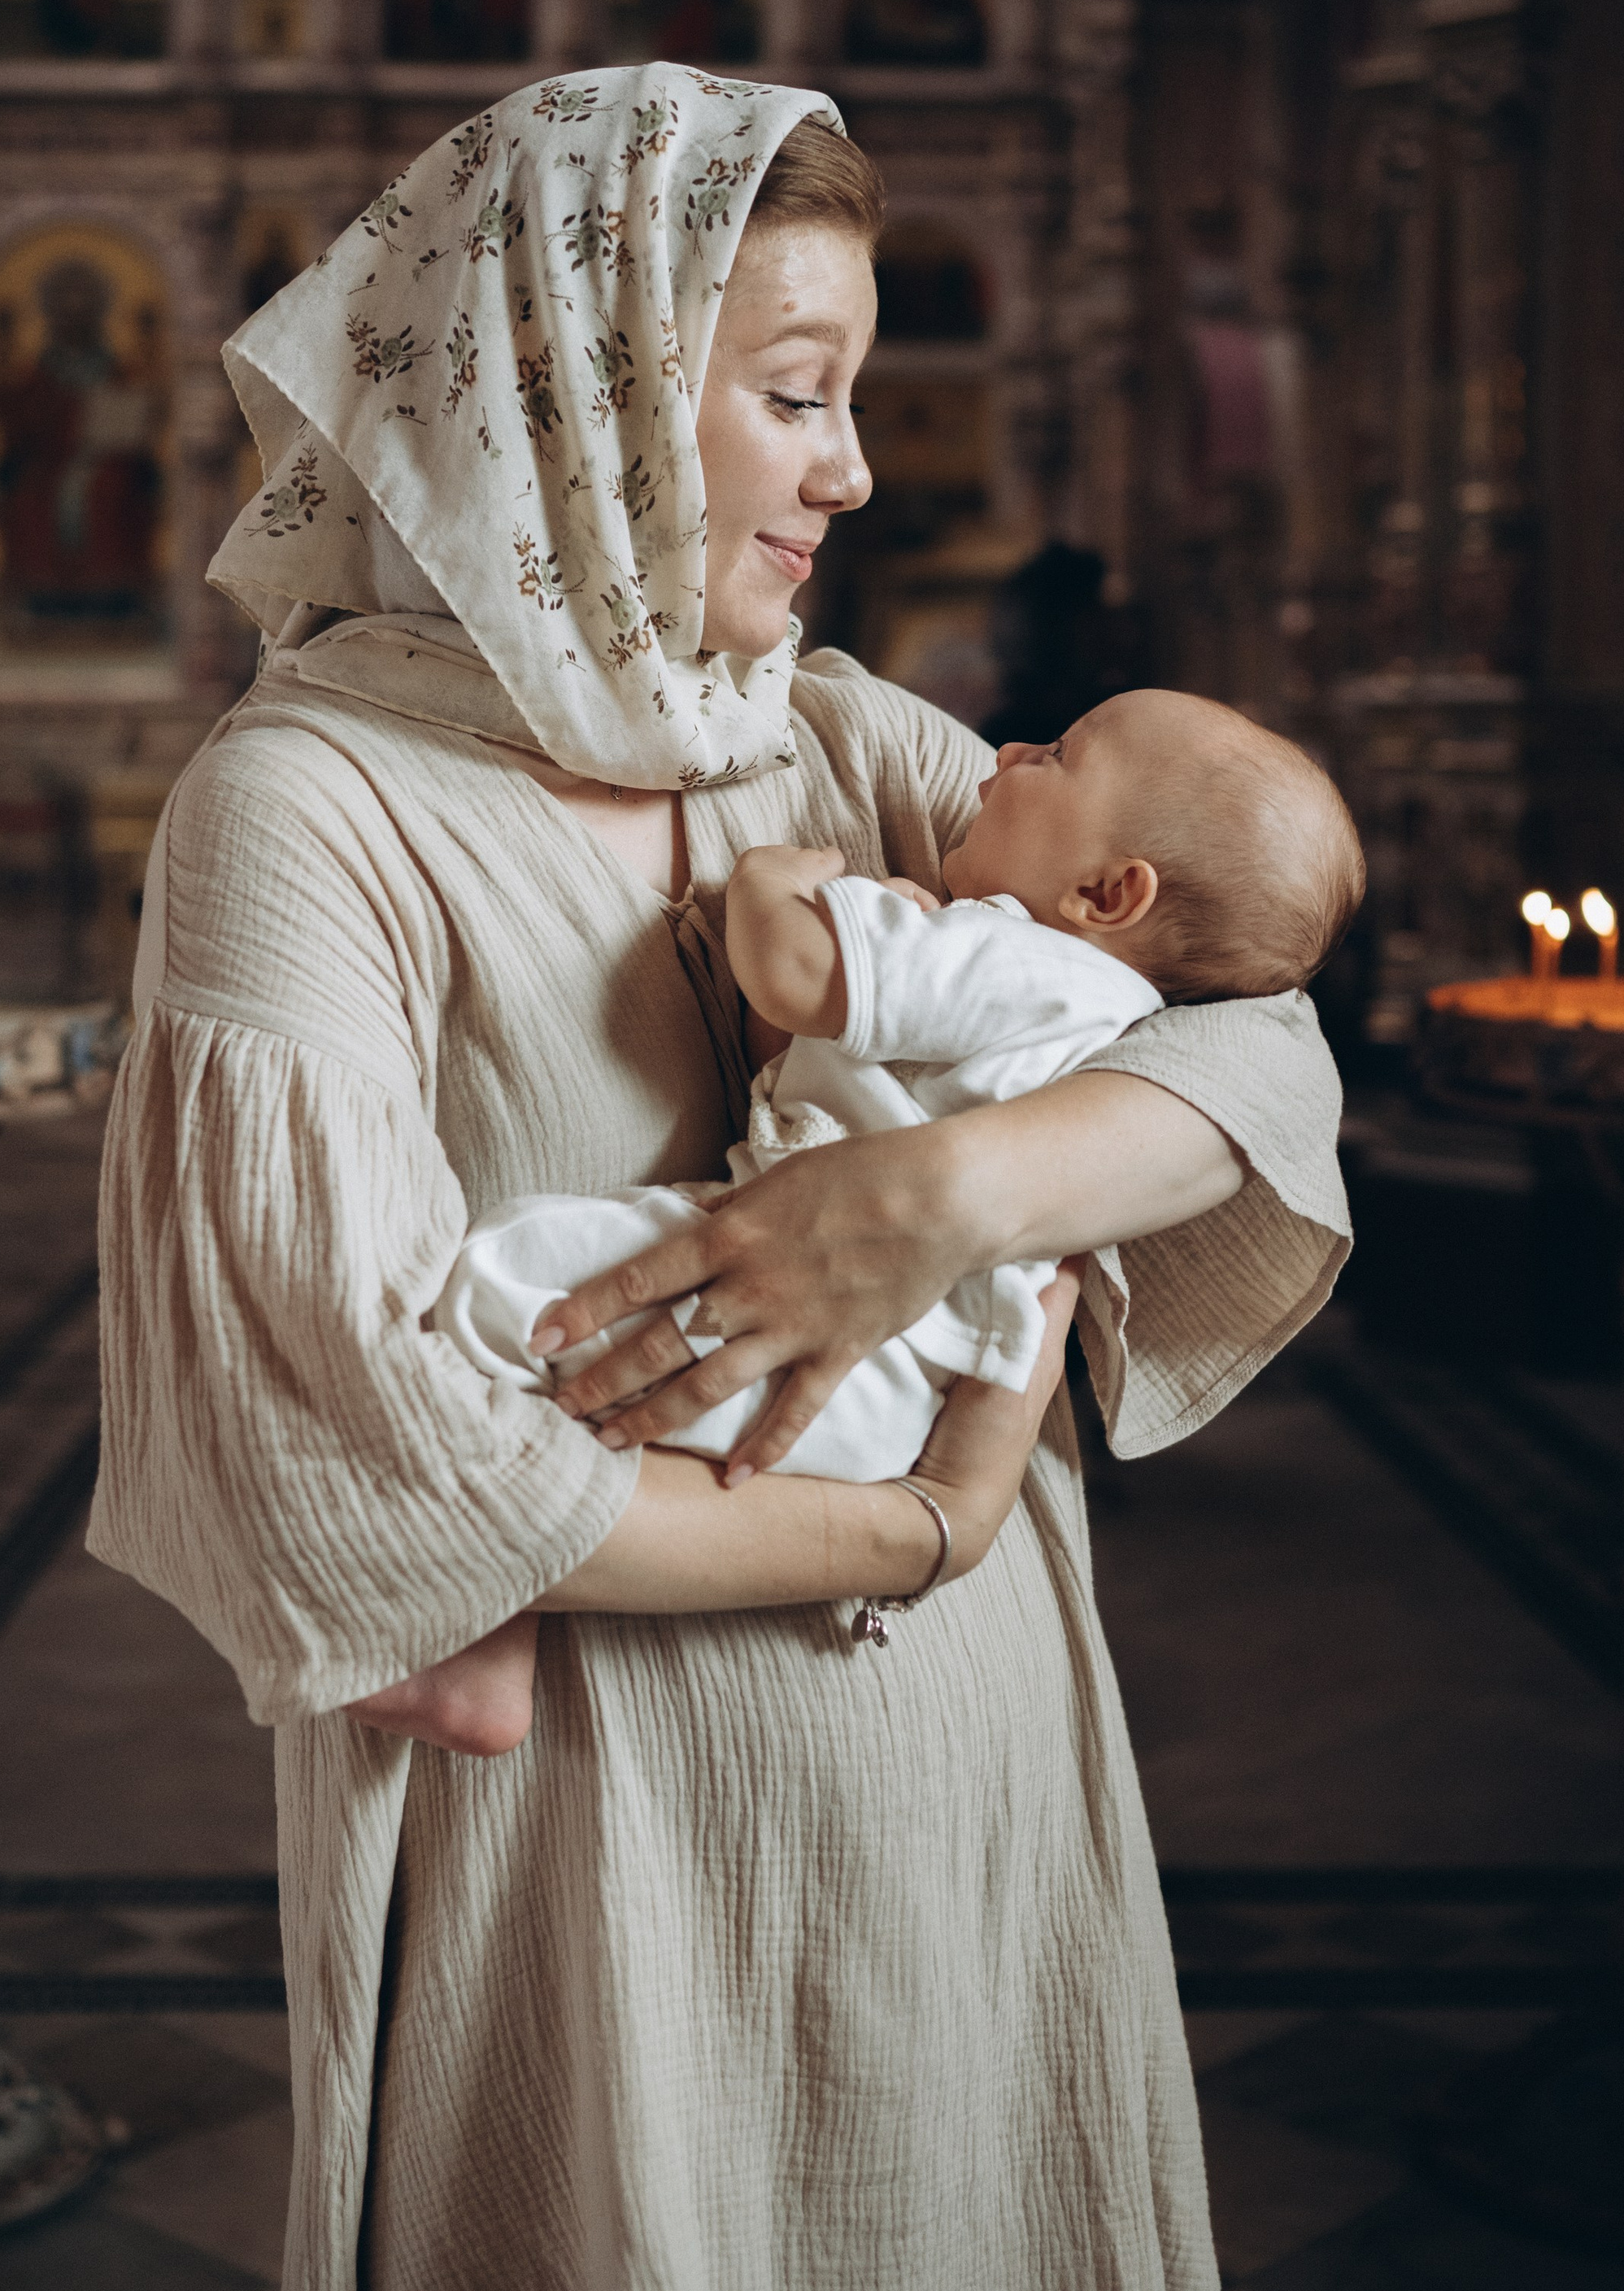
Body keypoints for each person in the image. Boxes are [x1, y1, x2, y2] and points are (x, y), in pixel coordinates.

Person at [92, 65, 1353, 2291]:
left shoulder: (828, 738)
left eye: (852, 394)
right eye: (794, 393)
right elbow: (362, 1421)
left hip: (966, 1788)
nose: (853, 465)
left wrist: (941, 1203)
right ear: (565, 394)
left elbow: (1256, 1038)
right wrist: (928, 1513)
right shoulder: (310, 807)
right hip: (602, 1856)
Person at [383, 693, 1364, 1753]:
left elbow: (798, 971)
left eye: (1059, 755)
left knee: (492, 1288)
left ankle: (467, 1639)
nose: (1012, 750)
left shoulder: (1016, 959)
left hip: (832, 1341)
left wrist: (780, 882)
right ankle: (493, 1622)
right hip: (902, 1384)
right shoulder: (1103, 1006)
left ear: (1110, 891)